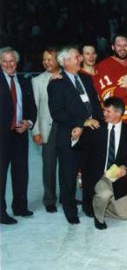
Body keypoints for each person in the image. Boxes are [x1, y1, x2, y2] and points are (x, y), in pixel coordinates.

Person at [48, 46, 102, 224]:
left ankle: (88, 206)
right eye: (76, 57)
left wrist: (100, 124)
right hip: (70, 136)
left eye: (79, 56)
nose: (80, 59)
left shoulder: (86, 79)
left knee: (90, 174)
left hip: (91, 135)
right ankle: (70, 212)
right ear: (65, 62)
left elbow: (94, 104)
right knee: (68, 175)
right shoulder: (56, 83)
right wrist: (81, 122)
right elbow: (57, 113)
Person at [71, 97, 127, 230]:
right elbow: (79, 148)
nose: (104, 114)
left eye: (108, 111)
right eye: (104, 110)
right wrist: (75, 138)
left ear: (118, 113)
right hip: (98, 175)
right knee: (104, 193)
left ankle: (98, 205)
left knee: (126, 215)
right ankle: (99, 218)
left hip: (116, 176)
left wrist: (125, 166)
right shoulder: (95, 127)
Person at [0, 47, 37, 225]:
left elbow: (31, 107)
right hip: (2, 136)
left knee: (21, 172)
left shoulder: (24, 81)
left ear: (17, 62)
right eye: (4, 61)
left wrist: (28, 123)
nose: (8, 64)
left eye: (12, 61)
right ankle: (1, 212)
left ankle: (20, 206)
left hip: (20, 134)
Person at [94, 33, 127, 129]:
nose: (122, 48)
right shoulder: (103, 66)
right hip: (119, 119)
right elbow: (108, 96)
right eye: (119, 45)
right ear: (113, 47)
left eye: (125, 45)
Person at [31, 48, 60, 213]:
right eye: (44, 59)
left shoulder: (67, 77)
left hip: (66, 128)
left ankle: (67, 196)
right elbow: (34, 107)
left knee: (67, 165)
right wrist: (35, 131)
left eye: (50, 59)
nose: (47, 62)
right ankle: (49, 199)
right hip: (46, 128)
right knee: (48, 166)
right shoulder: (37, 81)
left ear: (58, 60)